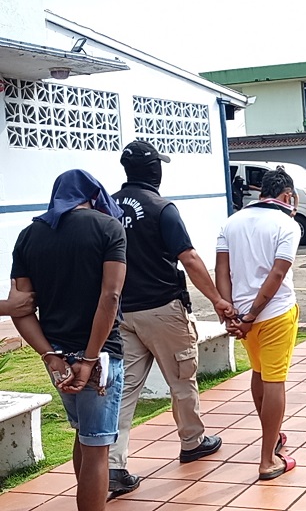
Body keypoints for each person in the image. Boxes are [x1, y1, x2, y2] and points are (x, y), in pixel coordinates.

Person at [108, 141, 230, 494]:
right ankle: (193, 442)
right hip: (163, 310)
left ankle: (114, 466)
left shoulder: (108, 207)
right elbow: (189, 259)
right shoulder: (162, 208)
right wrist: (218, 300)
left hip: (123, 313)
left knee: (124, 391)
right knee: (182, 377)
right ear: (154, 170)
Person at [11, 169, 126, 511]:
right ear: (92, 196)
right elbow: (111, 297)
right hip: (99, 357)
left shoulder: (29, 235)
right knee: (97, 449)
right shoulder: (109, 228)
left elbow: (21, 307)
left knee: (83, 434)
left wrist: (49, 355)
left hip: (58, 358)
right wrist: (90, 358)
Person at [216, 167, 300, 480]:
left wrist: (232, 315)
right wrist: (251, 315)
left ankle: (273, 436)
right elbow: (278, 275)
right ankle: (268, 459)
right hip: (275, 312)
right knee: (275, 380)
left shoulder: (230, 222)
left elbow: (221, 271)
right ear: (287, 196)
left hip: (240, 315)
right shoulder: (287, 224)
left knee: (260, 373)